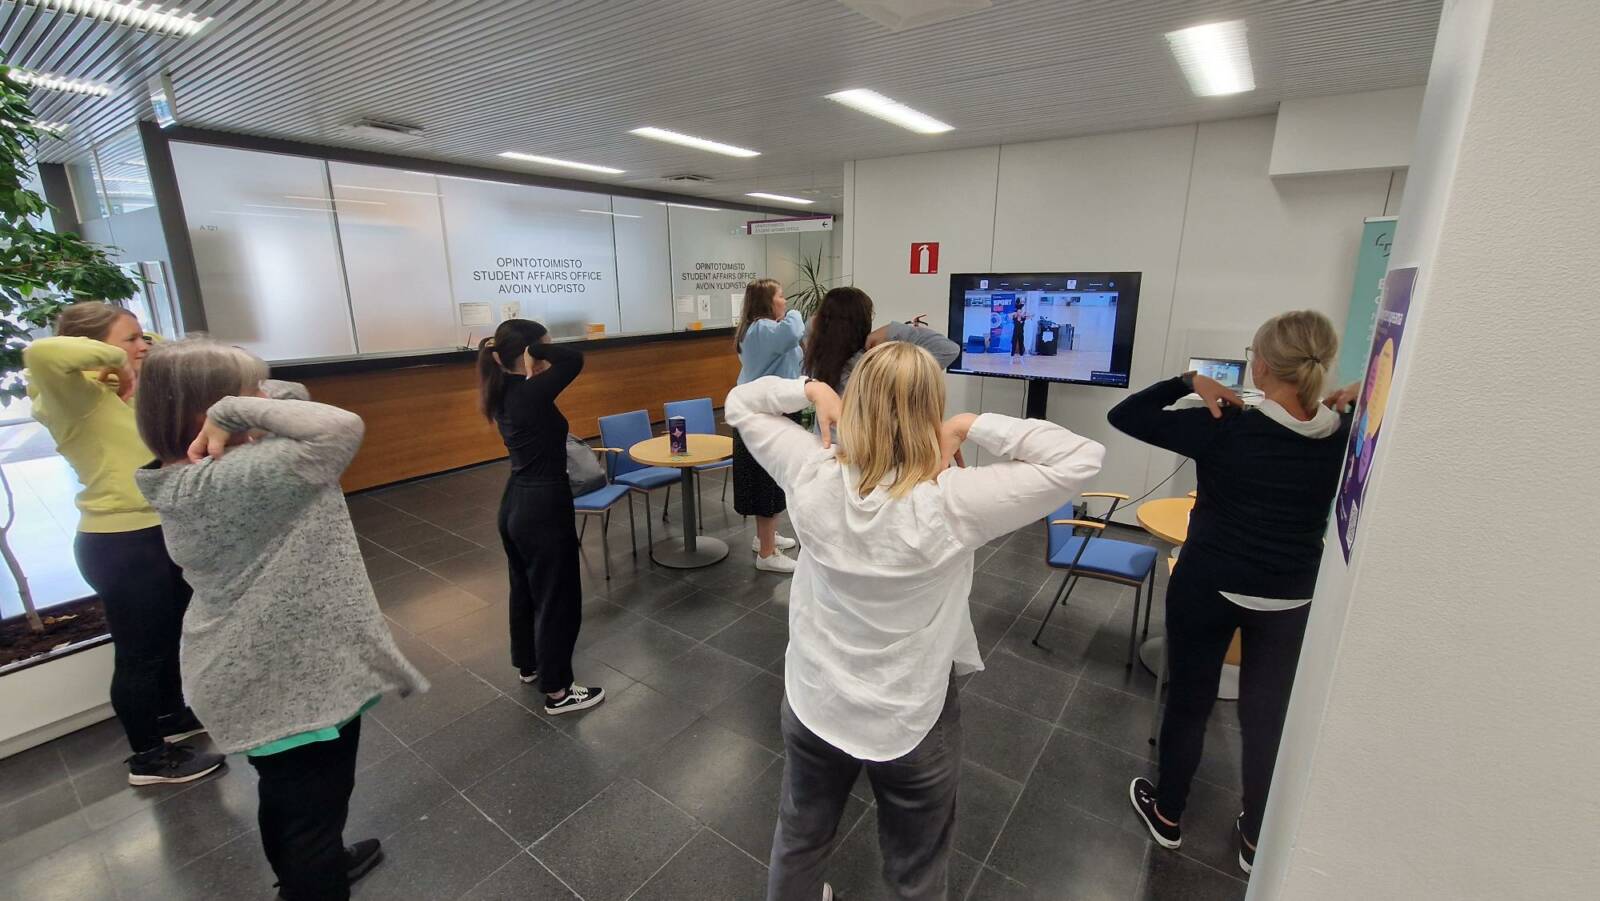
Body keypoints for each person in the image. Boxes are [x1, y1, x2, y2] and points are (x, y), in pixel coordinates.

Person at [726, 342, 1104, 900]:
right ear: (931, 408)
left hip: (815, 699)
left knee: (801, 837)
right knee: (915, 868)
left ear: (854, 403)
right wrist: (972, 424)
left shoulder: (809, 472)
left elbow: (741, 403)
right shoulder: (955, 500)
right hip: (910, 715)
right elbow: (1080, 457)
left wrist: (809, 390)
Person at [133, 338, 427, 900]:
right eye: (249, 394)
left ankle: (313, 866)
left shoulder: (188, 471)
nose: (265, 397)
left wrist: (235, 397)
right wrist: (231, 410)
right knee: (307, 816)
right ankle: (311, 880)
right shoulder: (238, 475)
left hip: (265, 668)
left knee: (298, 803)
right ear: (209, 413)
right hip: (284, 678)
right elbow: (338, 425)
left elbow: (296, 395)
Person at [1109, 310, 1350, 876]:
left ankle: (1167, 815)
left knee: (1190, 703)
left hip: (1208, 586)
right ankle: (1254, 837)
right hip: (1291, 598)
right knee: (1266, 719)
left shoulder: (1226, 426)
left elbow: (1126, 413)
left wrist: (1189, 382)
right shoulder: (1345, 435)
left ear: (1260, 366)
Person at [23, 302, 223, 786]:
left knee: (171, 633)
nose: (142, 347)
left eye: (141, 339)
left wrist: (136, 350)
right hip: (121, 542)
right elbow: (43, 352)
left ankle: (171, 718)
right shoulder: (74, 396)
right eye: (129, 339)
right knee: (139, 654)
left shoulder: (123, 392)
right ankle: (148, 759)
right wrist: (114, 358)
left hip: (159, 529)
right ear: (97, 348)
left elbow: (163, 349)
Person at [477, 319, 605, 714]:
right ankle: (559, 691)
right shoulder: (530, 392)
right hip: (543, 505)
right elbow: (575, 359)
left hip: (515, 501)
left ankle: (530, 664)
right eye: (545, 345)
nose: (553, 350)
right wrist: (541, 353)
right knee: (557, 596)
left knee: (526, 588)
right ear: (531, 352)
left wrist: (531, 354)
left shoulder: (504, 391)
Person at [733, 278, 806, 572]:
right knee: (767, 482)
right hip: (764, 416)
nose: (786, 302)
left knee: (775, 479)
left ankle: (766, 536)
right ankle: (766, 553)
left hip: (772, 412)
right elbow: (793, 329)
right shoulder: (763, 329)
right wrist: (797, 313)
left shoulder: (765, 331)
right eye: (781, 296)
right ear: (767, 302)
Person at [802, 286, 960, 394]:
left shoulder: (818, 358)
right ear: (863, 320)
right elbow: (949, 349)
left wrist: (828, 321)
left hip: (824, 441)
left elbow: (810, 324)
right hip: (865, 443)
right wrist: (891, 330)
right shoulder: (878, 366)